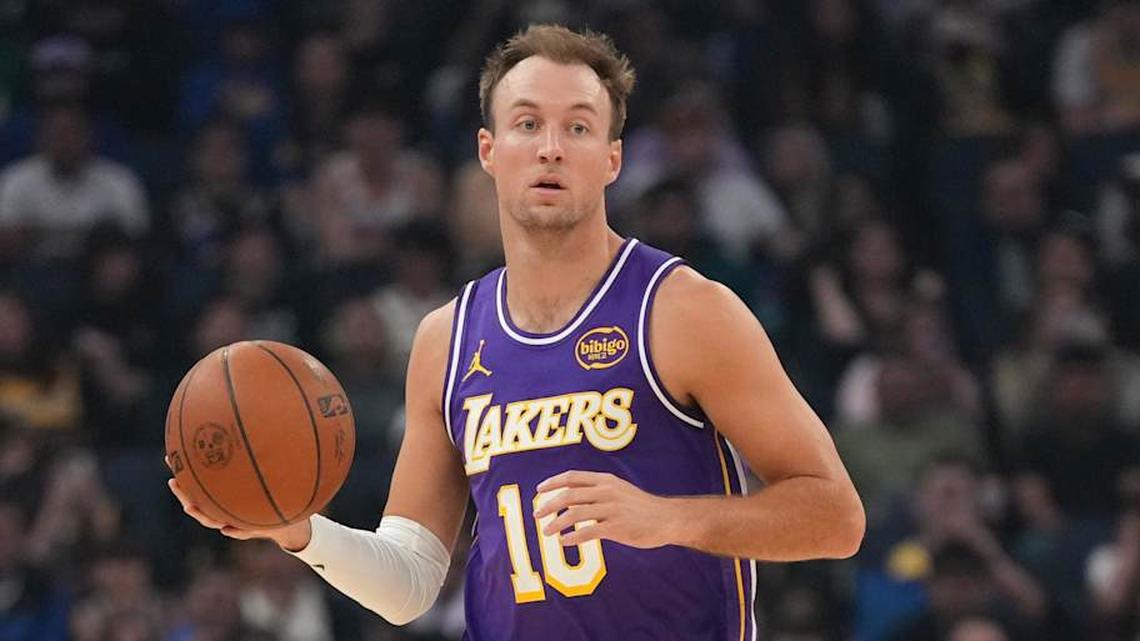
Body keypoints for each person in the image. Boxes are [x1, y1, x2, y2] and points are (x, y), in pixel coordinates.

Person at [168, 24, 865, 641]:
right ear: (488, 150)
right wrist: (295, 530)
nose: (551, 149)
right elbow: (409, 583)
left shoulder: (683, 309)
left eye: (579, 127)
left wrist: (668, 520)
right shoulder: (447, 338)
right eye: (528, 124)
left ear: (613, 159)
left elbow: (836, 516)